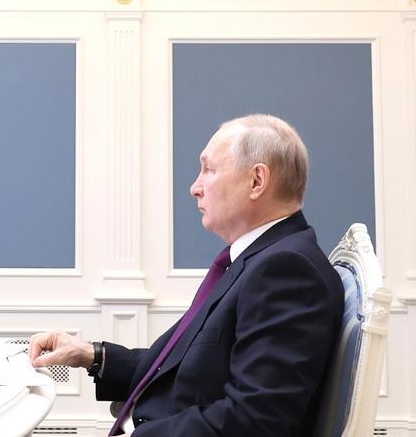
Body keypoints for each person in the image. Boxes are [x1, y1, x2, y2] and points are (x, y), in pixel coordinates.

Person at [29, 115, 342, 436]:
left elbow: (254, 418)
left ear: (257, 181)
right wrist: (92, 355)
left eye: (209, 169)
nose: (195, 187)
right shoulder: (263, 258)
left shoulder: (287, 271)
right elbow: (186, 368)